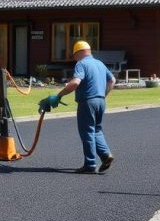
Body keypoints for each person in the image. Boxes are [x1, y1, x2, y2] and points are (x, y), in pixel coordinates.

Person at [43, 40, 116, 174]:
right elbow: (112, 80)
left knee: (87, 131)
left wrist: (59, 96)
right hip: (101, 101)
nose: (74, 58)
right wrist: (103, 95)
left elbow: (76, 82)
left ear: (78, 53)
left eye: (74, 55)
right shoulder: (99, 63)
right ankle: (106, 154)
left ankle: (90, 164)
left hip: (87, 102)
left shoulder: (81, 64)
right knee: (97, 130)